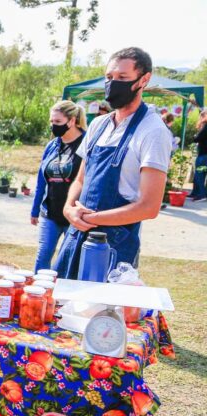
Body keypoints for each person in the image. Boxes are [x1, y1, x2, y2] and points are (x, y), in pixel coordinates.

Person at [54, 47, 171, 279]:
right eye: (109, 78)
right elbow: (80, 179)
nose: (113, 83)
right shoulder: (98, 125)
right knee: (60, 307)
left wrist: (91, 218)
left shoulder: (153, 131)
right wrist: (69, 208)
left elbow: (149, 207)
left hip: (114, 244)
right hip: (76, 234)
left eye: (122, 78)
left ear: (143, 80)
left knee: (101, 312)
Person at [31, 101, 87, 271]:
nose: (53, 126)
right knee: (43, 255)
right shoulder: (52, 146)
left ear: (71, 121)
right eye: (51, 121)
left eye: (57, 122)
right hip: (50, 213)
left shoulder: (86, 143)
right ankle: (37, 294)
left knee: (65, 261)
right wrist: (35, 210)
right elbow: (42, 180)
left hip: (73, 216)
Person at [189, 109, 207, 202]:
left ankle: (201, 194)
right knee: (199, 174)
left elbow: (198, 138)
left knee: (199, 174)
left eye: (202, 115)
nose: (200, 118)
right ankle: (196, 192)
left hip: (203, 154)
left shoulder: (206, 125)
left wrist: (194, 136)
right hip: (204, 154)